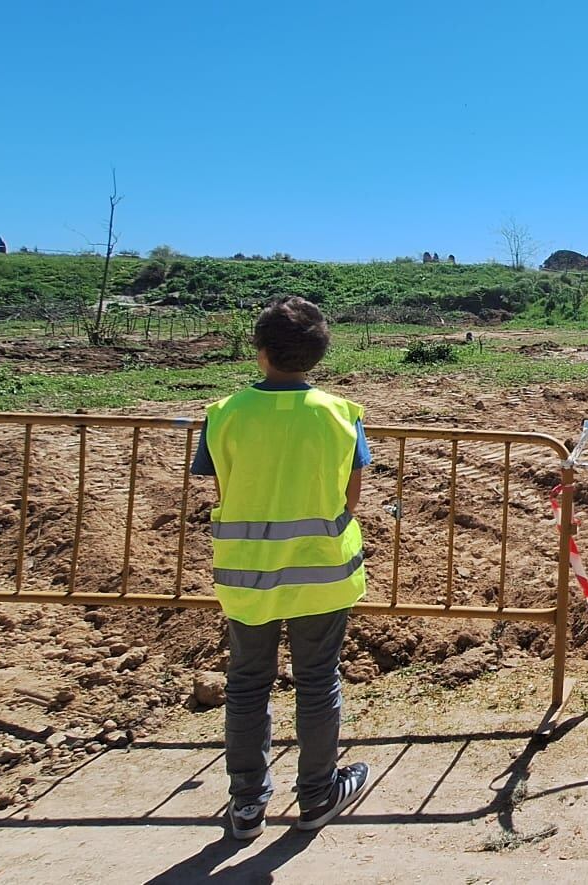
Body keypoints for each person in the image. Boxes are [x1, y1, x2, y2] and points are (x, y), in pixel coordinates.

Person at [190, 296, 372, 839]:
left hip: (247, 575)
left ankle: (247, 804)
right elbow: (351, 494)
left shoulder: (224, 414)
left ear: (260, 350)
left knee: (247, 684)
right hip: (322, 571)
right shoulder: (341, 414)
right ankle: (317, 795)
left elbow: (223, 487)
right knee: (318, 682)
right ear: (316, 355)